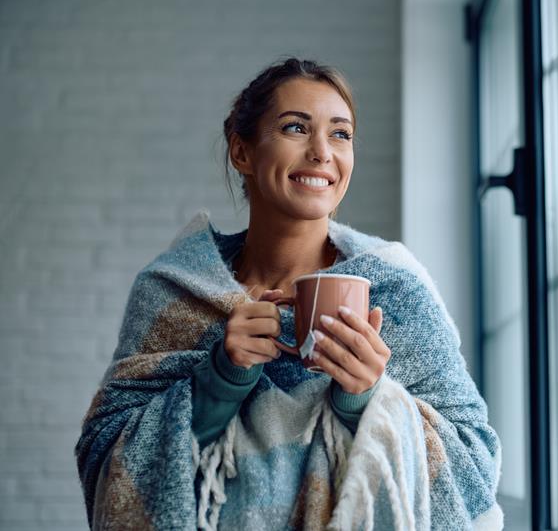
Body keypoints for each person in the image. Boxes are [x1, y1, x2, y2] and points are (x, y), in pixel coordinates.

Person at [76, 57, 502, 530]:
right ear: (242, 152)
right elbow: (104, 456)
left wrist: (369, 400)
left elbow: (474, 464)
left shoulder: (396, 290)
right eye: (296, 128)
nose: (323, 152)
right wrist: (215, 381)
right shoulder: (174, 292)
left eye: (340, 134)